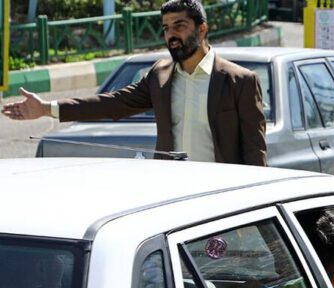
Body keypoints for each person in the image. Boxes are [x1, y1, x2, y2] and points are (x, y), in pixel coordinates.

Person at [1, 0, 267, 166]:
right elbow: (114, 104)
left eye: (180, 26)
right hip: (173, 196)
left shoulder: (240, 81)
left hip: (221, 194)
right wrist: (47, 108)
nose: (171, 35)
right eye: (165, 28)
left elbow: (255, 154)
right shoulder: (160, 75)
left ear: (202, 29)